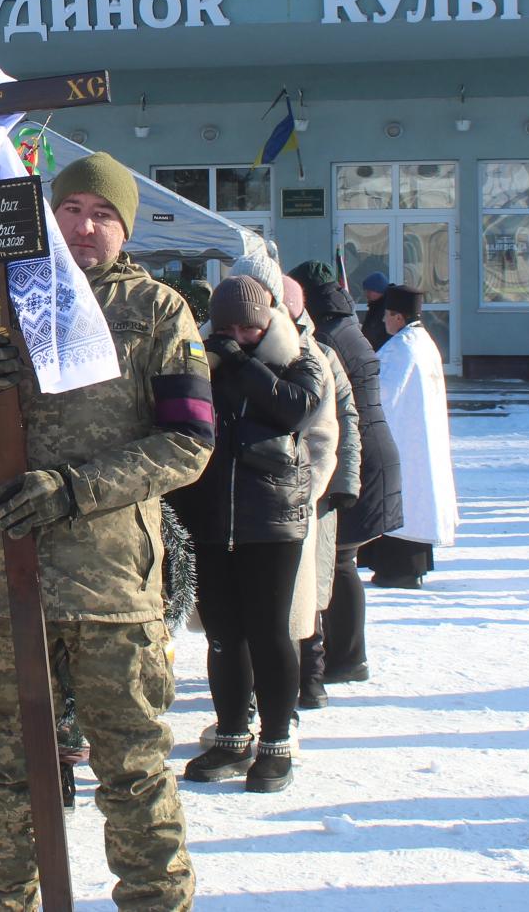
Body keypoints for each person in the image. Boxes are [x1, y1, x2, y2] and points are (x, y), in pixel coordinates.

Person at [0, 153, 210, 911]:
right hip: (3, 584)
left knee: (135, 776)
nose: (85, 225)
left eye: (104, 214)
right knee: (4, 779)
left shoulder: (157, 313)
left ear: (125, 230)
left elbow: (190, 441)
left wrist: (74, 490)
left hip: (111, 587)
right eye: (72, 208)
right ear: (46, 215)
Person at [169, 272, 324, 792]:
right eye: (229, 327)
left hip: (272, 522)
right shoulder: (200, 360)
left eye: (250, 327)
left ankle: (276, 739)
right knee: (222, 635)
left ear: (268, 323)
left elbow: (298, 409)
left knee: (269, 632)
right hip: (210, 518)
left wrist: (244, 365)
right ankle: (232, 734)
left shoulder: (299, 357)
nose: (239, 335)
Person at [289, 261, 401, 685]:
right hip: (368, 450)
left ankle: (345, 657)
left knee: (338, 560)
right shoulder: (349, 326)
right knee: (341, 560)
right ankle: (345, 656)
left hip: (355, 455)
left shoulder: (327, 339)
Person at [283, 275, 358, 713]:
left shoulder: (320, 355)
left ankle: (311, 680)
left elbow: (343, 423)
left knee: (308, 593)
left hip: (316, 493)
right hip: (285, 496)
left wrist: (342, 486)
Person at [361, 286, 456, 588]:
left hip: (403, 438)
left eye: (387, 316)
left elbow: (384, 394)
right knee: (414, 501)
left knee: (402, 503)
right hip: (417, 437)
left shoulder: (402, 348)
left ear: (398, 317)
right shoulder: (423, 342)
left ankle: (398, 570)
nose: (384, 323)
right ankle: (405, 567)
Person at [358, 271, 392, 350]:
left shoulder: (387, 309)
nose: (366, 294)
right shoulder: (375, 306)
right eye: (366, 291)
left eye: (369, 291)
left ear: (379, 291)